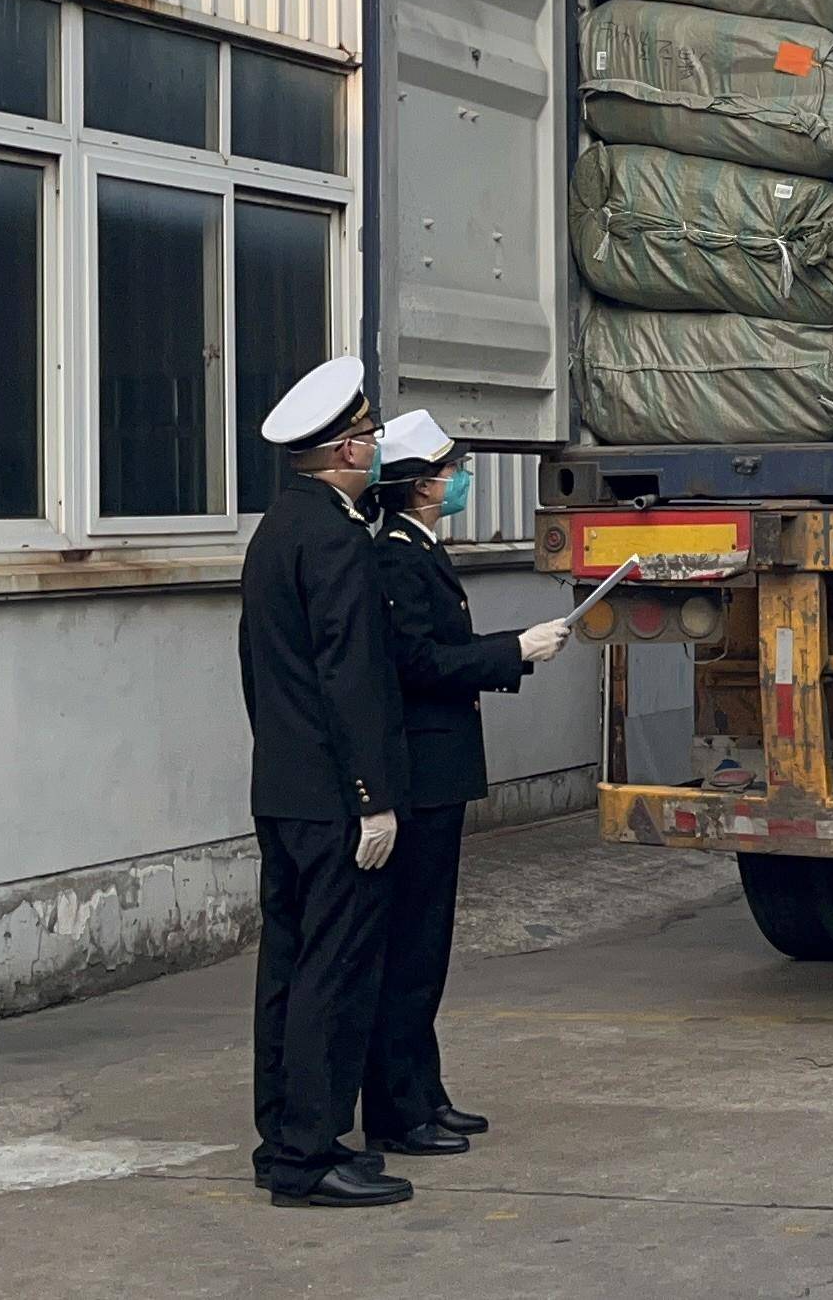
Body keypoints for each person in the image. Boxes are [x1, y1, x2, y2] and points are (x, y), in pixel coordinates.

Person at [357, 410, 571, 1157]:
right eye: (450, 472)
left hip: (440, 772)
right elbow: (420, 663)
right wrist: (513, 650)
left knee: (429, 942)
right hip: (422, 770)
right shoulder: (395, 557)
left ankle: (423, 1091)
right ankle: (397, 1109)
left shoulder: (418, 549)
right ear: (419, 488)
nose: (460, 483)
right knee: (411, 945)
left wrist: (512, 652)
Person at [236, 356, 415, 1211]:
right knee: (332, 977)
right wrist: (371, 797)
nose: (379, 445)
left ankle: (282, 1140)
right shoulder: (338, 539)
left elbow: (261, 675)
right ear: (345, 449)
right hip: (336, 798)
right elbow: (351, 679)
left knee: (288, 969)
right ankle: (310, 1156)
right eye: (373, 435)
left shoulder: (278, 529)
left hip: (284, 788)